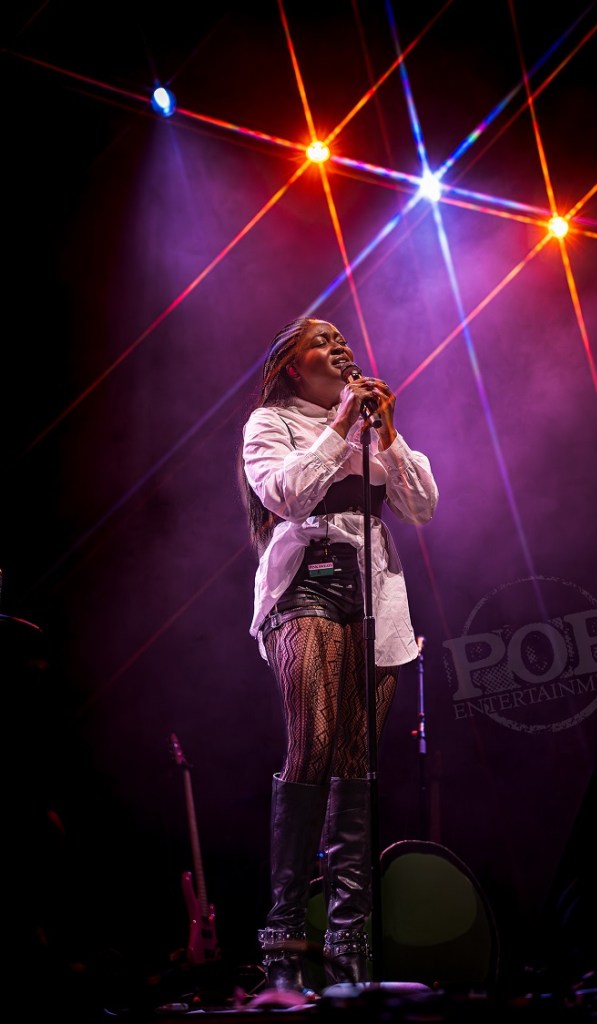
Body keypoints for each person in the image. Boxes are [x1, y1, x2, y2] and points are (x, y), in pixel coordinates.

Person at [239, 316, 438, 993]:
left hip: (375, 591)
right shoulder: (271, 422)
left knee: (356, 761)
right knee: (315, 745)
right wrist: (341, 425)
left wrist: (386, 431)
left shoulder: (370, 429)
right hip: (307, 582)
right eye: (321, 342)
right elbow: (287, 495)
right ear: (293, 367)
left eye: (342, 339)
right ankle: (284, 938)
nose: (340, 346)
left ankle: (348, 944)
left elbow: (421, 506)